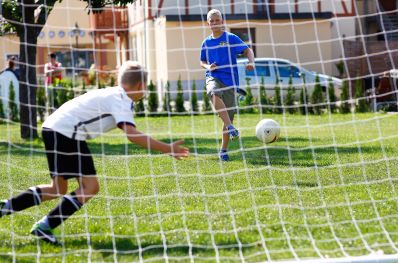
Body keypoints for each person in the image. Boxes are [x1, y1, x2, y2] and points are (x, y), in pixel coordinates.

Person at [0, 61, 189, 245]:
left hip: (53, 127)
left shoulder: (114, 94)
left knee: (57, 188)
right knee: (90, 187)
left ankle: (7, 206)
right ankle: (45, 226)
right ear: (140, 85)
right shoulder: (121, 99)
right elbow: (132, 134)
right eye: (145, 86)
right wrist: (168, 148)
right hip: (66, 132)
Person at [200, 9, 255, 161]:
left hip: (230, 81)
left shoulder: (231, 38)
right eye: (212, 21)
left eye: (217, 20)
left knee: (227, 118)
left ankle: (223, 150)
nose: (215, 23)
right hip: (213, 76)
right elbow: (202, 61)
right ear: (208, 23)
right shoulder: (206, 42)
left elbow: (247, 50)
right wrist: (208, 67)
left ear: (222, 21)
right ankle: (231, 128)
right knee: (212, 91)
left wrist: (251, 62)